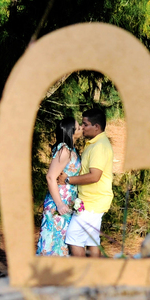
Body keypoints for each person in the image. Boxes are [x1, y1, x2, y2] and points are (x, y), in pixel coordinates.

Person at [61, 107, 113, 257]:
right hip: (93, 200)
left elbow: (94, 176)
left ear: (96, 127)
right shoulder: (94, 143)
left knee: (73, 238)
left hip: (92, 202)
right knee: (91, 241)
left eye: (85, 124)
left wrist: (68, 180)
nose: (82, 128)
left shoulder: (100, 146)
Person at [36, 117, 80, 256]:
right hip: (59, 202)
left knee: (61, 242)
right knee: (53, 241)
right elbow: (50, 177)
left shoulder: (71, 149)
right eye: (78, 128)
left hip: (67, 201)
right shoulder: (64, 150)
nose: (81, 129)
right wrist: (60, 204)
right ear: (71, 132)